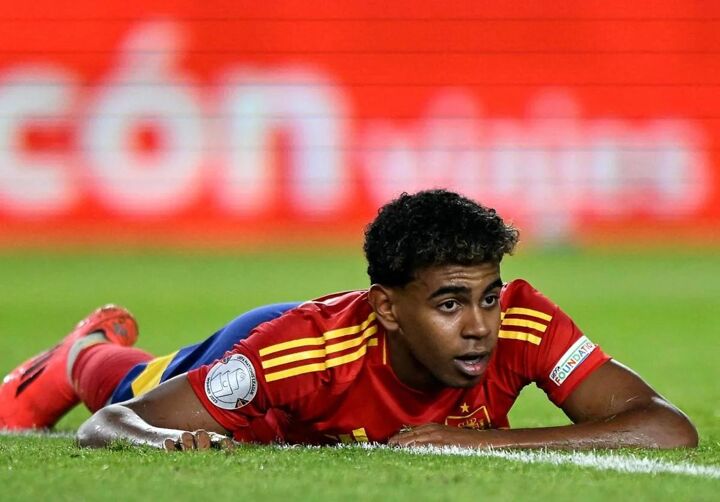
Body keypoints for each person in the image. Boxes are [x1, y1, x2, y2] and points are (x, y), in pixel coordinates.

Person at [0, 190, 698, 451]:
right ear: (388, 308)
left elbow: (667, 427)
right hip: (268, 344)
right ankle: (82, 354)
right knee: (145, 385)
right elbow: (113, 425)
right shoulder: (299, 354)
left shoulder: (521, 324)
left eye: (488, 296)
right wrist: (169, 445)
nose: (480, 326)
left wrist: (490, 445)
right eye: (450, 304)